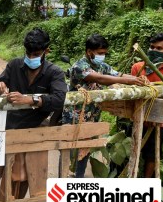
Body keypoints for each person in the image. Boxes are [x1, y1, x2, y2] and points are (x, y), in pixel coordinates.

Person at [0, 28, 67, 202]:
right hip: (7, 126)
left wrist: (30, 99)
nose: (31, 57)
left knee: (21, 175)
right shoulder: (15, 65)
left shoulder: (54, 72)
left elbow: (59, 99)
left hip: (32, 130)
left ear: (46, 51)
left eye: (36, 54)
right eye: (29, 53)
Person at [61, 34, 145, 178]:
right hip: (74, 115)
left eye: (104, 53)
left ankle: (79, 177)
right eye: (100, 53)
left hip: (93, 114)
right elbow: (100, 78)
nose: (102, 56)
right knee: (68, 148)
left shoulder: (102, 66)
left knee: (86, 147)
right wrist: (128, 81)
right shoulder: (79, 66)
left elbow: (118, 74)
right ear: (89, 52)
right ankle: (62, 176)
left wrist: (137, 79)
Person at [131, 32, 163, 178]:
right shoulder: (138, 67)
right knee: (133, 151)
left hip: (159, 121)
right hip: (137, 118)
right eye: (152, 47)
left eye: (159, 48)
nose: (154, 51)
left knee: (152, 156)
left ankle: (146, 184)